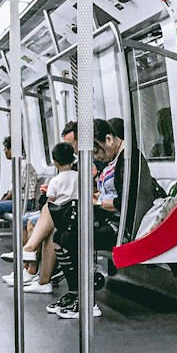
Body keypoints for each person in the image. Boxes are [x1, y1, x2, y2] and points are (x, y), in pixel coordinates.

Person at [48, 118, 126, 319]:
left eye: (98, 151)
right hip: (107, 218)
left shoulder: (127, 162)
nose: (99, 156)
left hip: (118, 226)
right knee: (61, 237)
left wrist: (98, 203)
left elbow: (123, 202)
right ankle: (77, 292)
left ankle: (87, 300)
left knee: (70, 238)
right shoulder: (115, 161)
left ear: (108, 139)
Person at [2, 142, 78, 293]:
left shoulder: (56, 180)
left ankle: (30, 259)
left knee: (38, 218)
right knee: (40, 227)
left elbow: (50, 203)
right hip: (73, 212)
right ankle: (37, 274)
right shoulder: (80, 176)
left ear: (55, 161)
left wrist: (45, 193)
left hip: (62, 214)